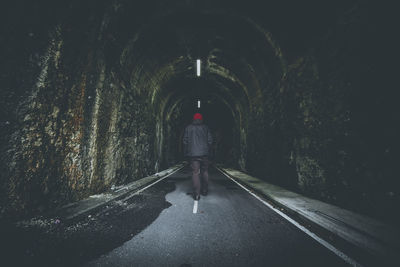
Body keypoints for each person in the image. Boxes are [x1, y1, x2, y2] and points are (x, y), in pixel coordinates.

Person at [183, 113, 213, 200]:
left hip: (193, 154)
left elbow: (185, 141)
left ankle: (196, 195)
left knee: (195, 173)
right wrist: (209, 151)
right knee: (205, 171)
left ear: (193, 119)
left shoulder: (188, 128)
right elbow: (210, 141)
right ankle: (205, 190)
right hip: (204, 154)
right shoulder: (206, 128)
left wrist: (186, 153)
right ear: (201, 119)